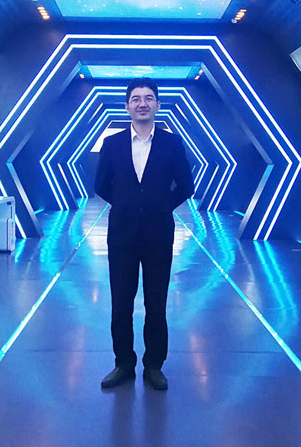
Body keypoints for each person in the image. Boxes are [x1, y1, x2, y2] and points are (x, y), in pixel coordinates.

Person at [95, 78, 194, 390]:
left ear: (157, 105)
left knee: (156, 302)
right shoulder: (112, 144)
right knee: (121, 302)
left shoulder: (172, 143)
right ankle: (123, 363)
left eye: (149, 98)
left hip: (158, 233)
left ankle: (154, 366)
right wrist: (127, 204)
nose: (142, 103)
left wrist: (160, 206)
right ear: (127, 106)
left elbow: (187, 186)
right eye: (136, 98)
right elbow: (100, 185)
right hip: (122, 234)